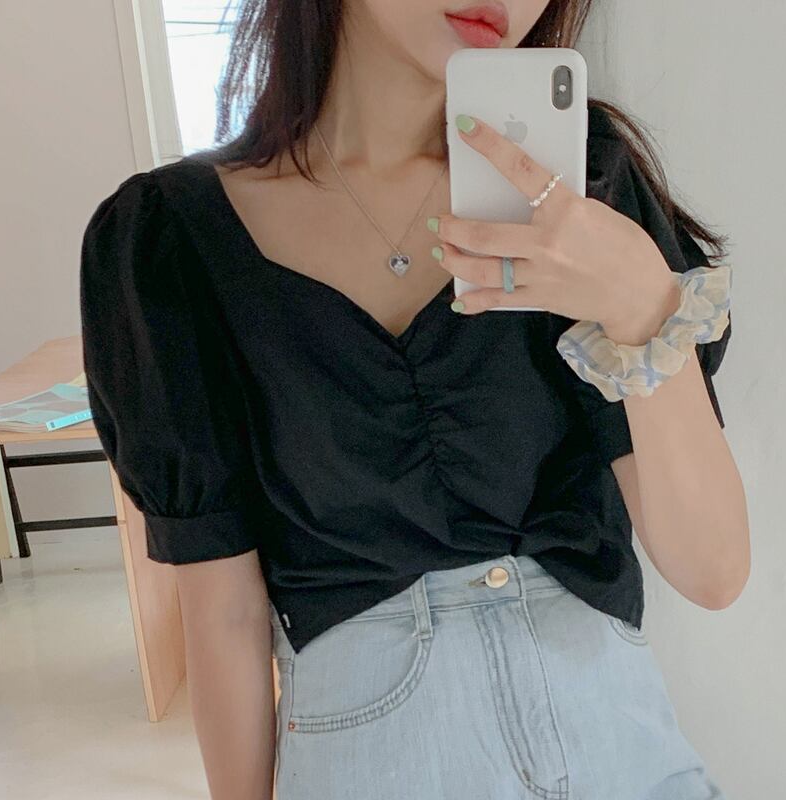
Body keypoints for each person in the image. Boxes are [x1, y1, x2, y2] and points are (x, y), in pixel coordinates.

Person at [79, 1, 750, 798]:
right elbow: (224, 611)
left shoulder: (577, 190)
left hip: (620, 752)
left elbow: (712, 571)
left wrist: (641, 307)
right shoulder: (171, 240)